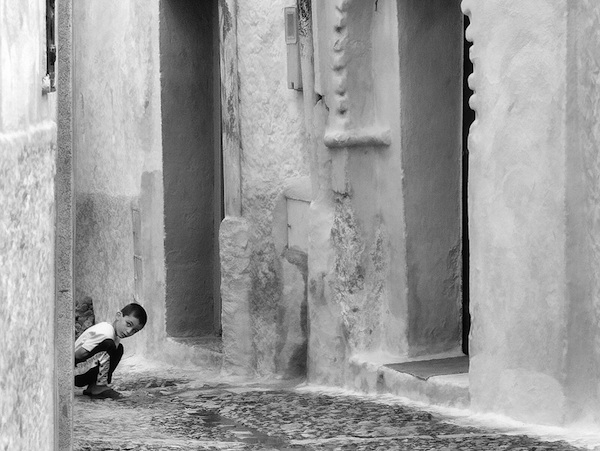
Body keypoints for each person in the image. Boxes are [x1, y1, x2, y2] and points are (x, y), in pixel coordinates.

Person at [74, 303, 147, 399]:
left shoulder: (113, 335)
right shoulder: (106, 332)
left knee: (118, 348)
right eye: (128, 324)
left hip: (82, 371)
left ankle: (93, 386)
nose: (129, 331)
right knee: (109, 345)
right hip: (74, 373)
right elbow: (78, 354)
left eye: (134, 330)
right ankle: (98, 387)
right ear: (118, 315)